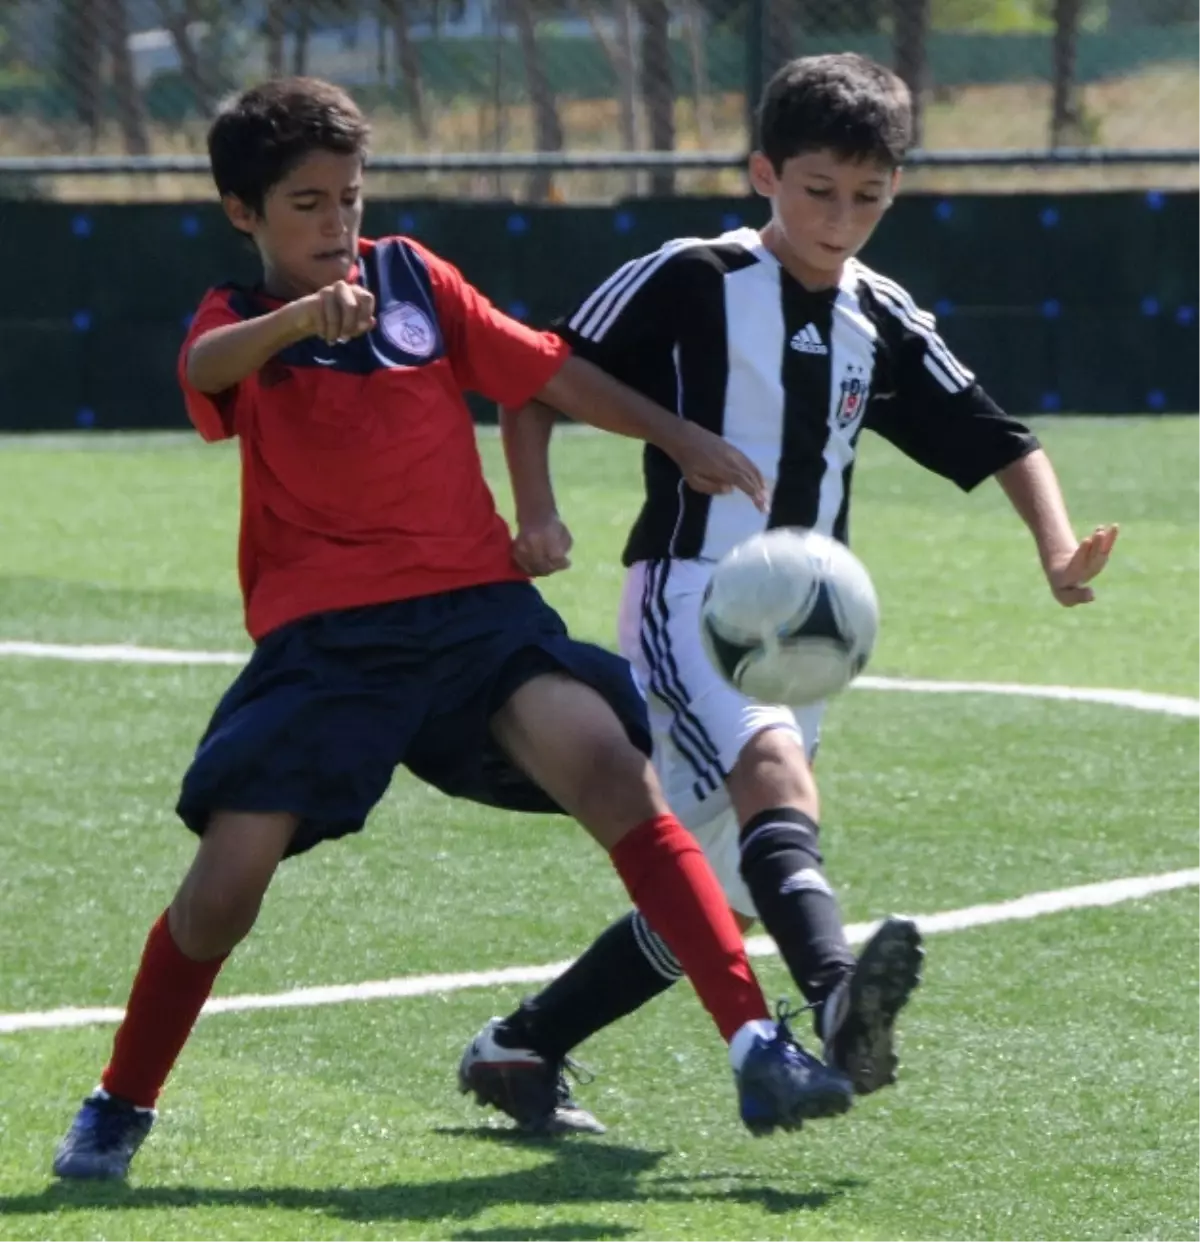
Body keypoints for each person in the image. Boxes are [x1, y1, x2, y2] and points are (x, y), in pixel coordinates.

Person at [51, 76, 860, 1181]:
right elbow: (202, 373)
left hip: (478, 616)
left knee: (616, 772)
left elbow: (542, 370)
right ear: (243, 213)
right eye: (307, 205)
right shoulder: (240, 321)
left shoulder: (413, 278)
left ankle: (755, 1041)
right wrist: (298, 319)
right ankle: (118, 1101)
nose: (338, 223)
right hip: (329, 644)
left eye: (350, 197)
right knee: (225, 888)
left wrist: (674, 436)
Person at [459, 52, 1119, 1135]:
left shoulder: (880, 312)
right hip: (691, 594)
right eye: (819, 190)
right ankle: (835, 997)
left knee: (708, 895)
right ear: (765, 172)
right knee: (767, 786)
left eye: (870, 196)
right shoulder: (691, 273)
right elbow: (536, 380)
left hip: (807, 631)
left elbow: (998, 436)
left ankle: (522, 1048)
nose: (843, 217)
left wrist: (1054, 551)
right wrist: (536, 512)